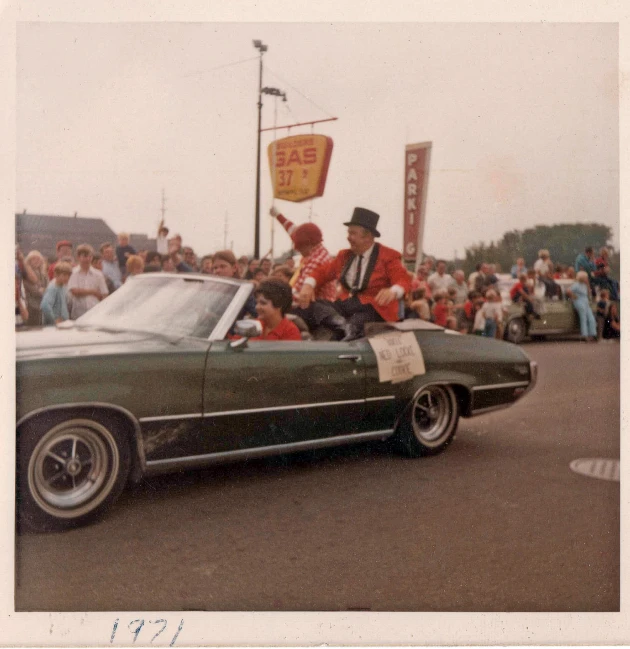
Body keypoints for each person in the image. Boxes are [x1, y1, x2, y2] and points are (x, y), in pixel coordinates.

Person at [298, 208, 412, 340]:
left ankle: (344, 326)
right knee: (312, 306)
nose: (348, 237)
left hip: (373, 308)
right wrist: (308, 284)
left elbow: (404, 279)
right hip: (346, 306)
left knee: (357, 320)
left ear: (367, 236)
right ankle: (342, 325)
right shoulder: (344, 256)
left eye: (352, 233)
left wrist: (393, 291)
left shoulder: (388, 256)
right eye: (348, 232)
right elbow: (322, 272)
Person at [270, 206, 348, 339]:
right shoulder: (313, 247)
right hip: (310, 306)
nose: (298, 250)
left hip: (315, 308)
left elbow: (298, 297)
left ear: (309, 244)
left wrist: (276, 296)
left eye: (300, 247)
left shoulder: (317, 261)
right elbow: (293, 230)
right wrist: (278, 215)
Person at [67, 244, 109, 319]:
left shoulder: (98, 274)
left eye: (90, 256)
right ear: (78, 257)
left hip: (95, 312)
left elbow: (104, 294)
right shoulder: (73, 273)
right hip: (78, 313)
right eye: (85, 256)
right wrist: (93, 292)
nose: (88, 259)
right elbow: (74, 291)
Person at [566, 270, 597, 342]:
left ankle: (593, 334)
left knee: (591, 318)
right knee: (583, 318)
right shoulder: (576, 284)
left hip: (585, 301)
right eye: (586, 277)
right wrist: (573, 296)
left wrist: (588, 285)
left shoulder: (585, 285)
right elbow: (568, 291)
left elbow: (589, 293)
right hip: (579, 301)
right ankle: (585, 335)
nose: (587, 278)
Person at [22, 250, 48, 326]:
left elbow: (48, 287)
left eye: (38, 259)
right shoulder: (26, 275)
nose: (37, 261)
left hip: (42, 304)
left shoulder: (43, 274)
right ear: (29, 261)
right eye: (34, 259)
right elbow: (34, 290)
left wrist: (43, 290)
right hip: (31, 305)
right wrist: (42, 290)